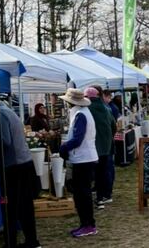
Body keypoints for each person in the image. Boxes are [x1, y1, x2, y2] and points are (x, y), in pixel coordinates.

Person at [0, 91, 40, 248]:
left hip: (14, 167)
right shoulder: (7, 111)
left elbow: (4, 142)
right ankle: (31, 241)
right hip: (21, 163)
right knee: (24, 206)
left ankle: (12, 243)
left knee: (11, 207)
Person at [59, 88, 99, 238]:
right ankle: (86, 224)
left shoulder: (80, 114)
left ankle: (88, 225)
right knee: (83, 194)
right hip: (85, 157)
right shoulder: (83, 113)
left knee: (83, 195)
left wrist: (64, 147)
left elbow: (77, 139)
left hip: (83, 159)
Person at [84, 87, 115, 210]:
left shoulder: (87, 109)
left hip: (91, 147)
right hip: (106, 147)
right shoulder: (107, 109)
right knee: (102, 173)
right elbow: (114, 126)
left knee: (90, 174)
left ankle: (89, 200)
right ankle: (101, 198)